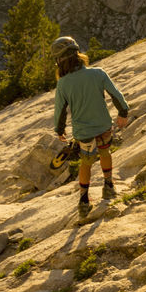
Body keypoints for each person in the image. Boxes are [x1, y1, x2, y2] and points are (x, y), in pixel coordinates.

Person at [52, 36, 129, 214]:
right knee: (105, 153)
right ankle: (108, 186)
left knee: (85, 163)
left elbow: (60, 111)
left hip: (83, 133)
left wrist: (59, 129)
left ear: (60, 61)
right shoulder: (98, 73)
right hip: (103, 126)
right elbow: (116, 95)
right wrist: (123, 112)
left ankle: (84, 201)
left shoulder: (63, 84)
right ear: (78, 54)